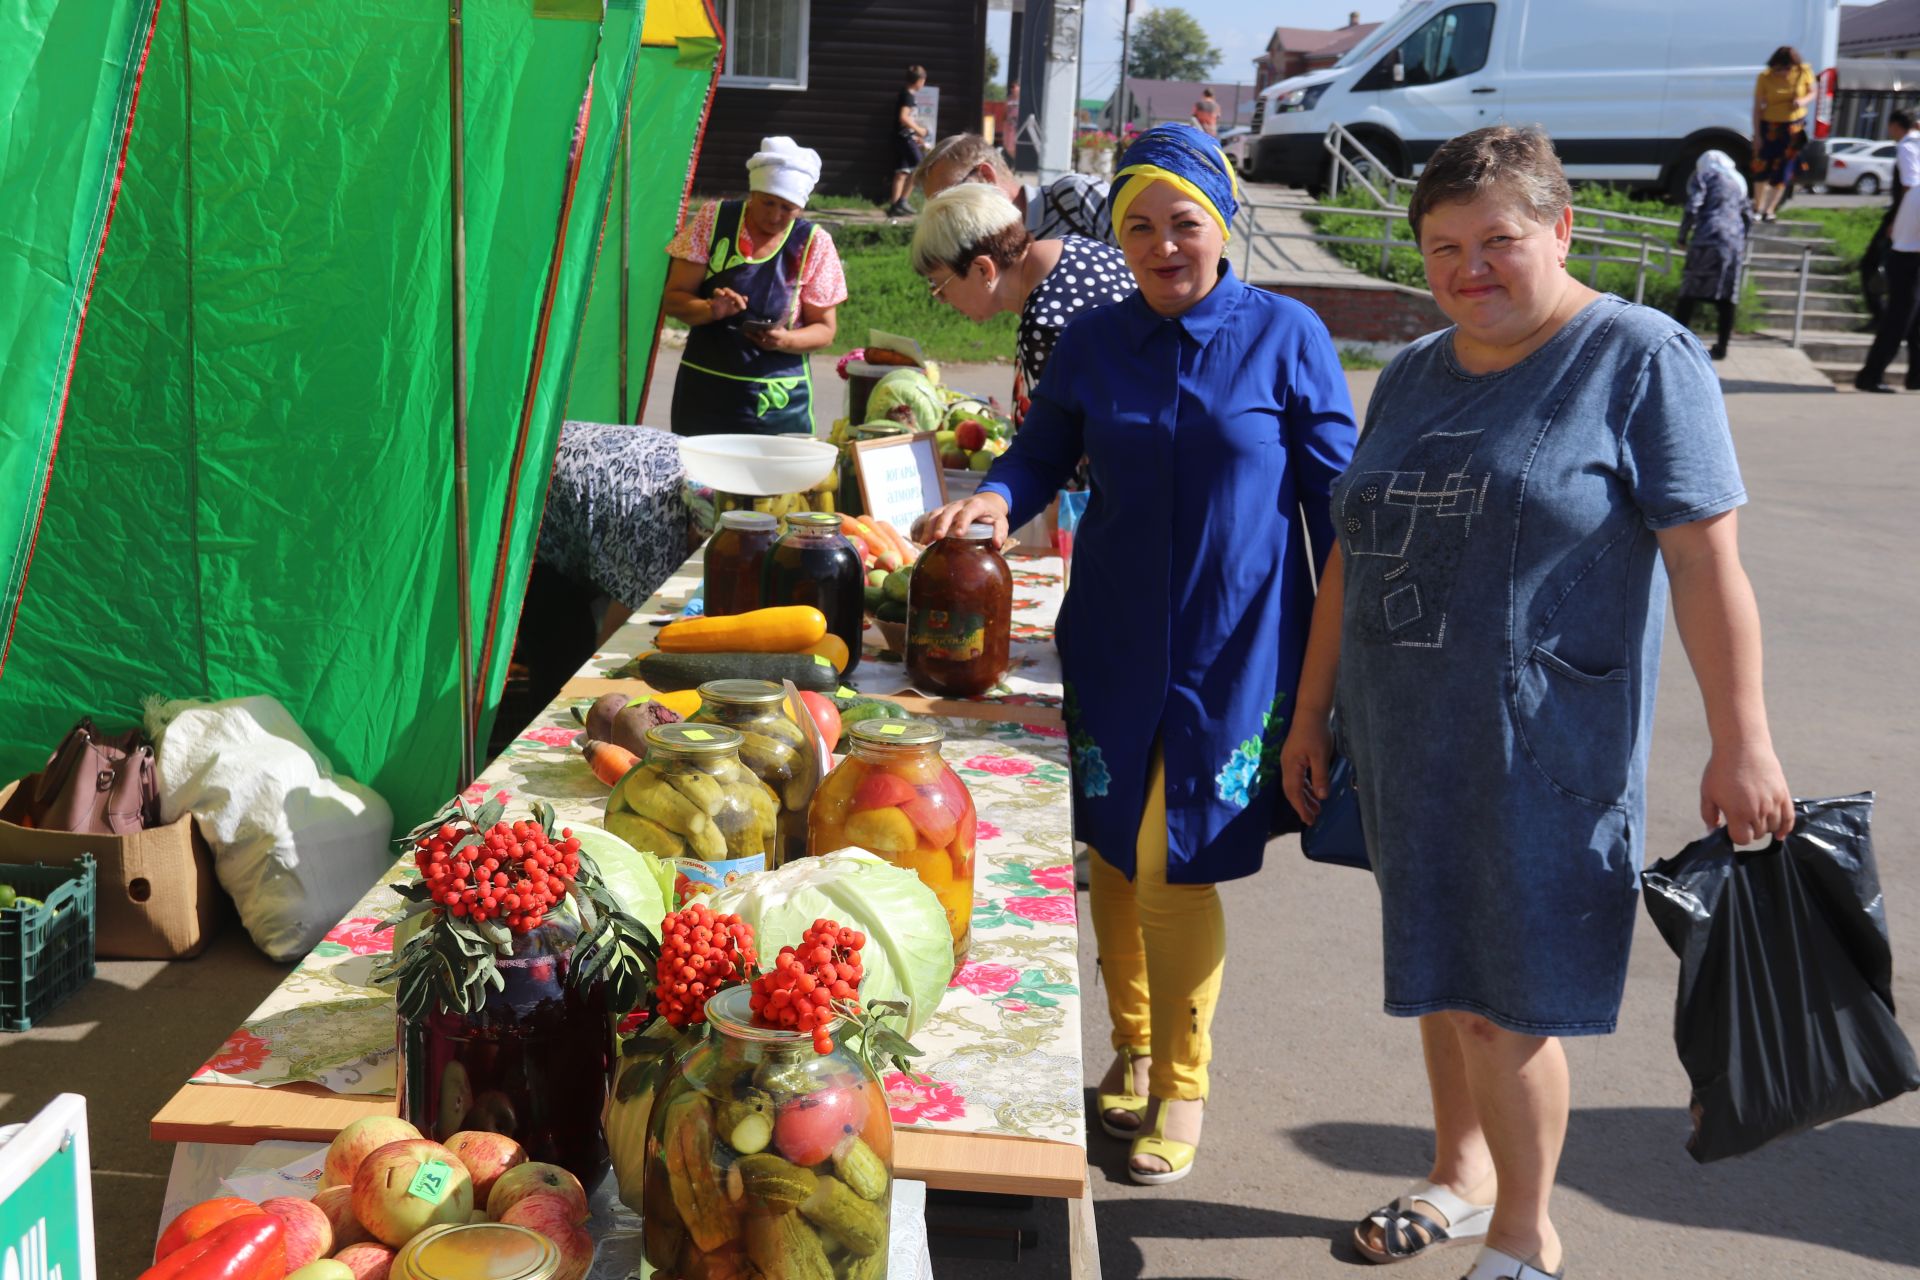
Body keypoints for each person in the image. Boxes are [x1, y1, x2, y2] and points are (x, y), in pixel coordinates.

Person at [1279, 125, 1792, 1280]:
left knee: (1500, 1003)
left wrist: (1743, 739)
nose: (1469, 268)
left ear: (1560, 229)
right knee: (1438, 971)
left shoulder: (1642, 357)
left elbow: (1708, 565)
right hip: (1407, 737)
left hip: (1544, 750)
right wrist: (1312, 713)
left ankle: (1527, 1231)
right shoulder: (1412, 370)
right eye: (1443, 246)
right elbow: (1355, 558)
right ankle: (1459, 1177)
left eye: (1499, 240)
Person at [918, 124, 1357, 1185]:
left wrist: (1329, 687)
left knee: (1171, 864)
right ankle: (1133, 1039)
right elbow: (1039, 451)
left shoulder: (1288, 336)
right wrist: (994, 496)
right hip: (1111, 639)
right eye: (1141, 228)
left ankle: (1184, 1082)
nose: (1165, 246)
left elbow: (1343, 514)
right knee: (1114, 850)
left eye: (1185, 223)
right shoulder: (1094, 340)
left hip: (1238, 650)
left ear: (1224, 222)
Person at [908, 183, 1134, 425]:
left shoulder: (1045, 326)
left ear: (984, 269)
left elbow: (1057, 448)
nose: (941, 300)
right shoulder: (1073, 247)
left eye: (940, 286)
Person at [663, 137, 846, 436]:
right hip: (705, 391)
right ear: (753, 192)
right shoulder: (713, 220)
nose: (774, 216)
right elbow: (673, 299)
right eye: (767, 202)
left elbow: (825, 330)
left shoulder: (814, 243)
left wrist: (783, 341)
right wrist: (711, 309)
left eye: (787, 208)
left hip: (777, 399)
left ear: (800, 208)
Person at [913, 133, 1117, 245]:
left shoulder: (1073, 195)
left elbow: (1145, 258)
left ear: (986, 177)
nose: (946, 221)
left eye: (949, 203)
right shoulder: (1001, 250)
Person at [1854, 109, 1920, 393]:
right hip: (1909, 257)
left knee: (1915, 320)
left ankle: (1916, 377)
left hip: (1907, 253)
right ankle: (1870, 376)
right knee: (1900, 319)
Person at [1674, 150, 1751, 360]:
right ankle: (1722, 347)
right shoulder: (1738, 183)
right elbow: (1748, 216)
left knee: (1689, 291)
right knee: (1727, 295)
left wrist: (1682, 235)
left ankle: (1675, 343)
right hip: (1734, 242)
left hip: (1707, 236)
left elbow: (1693, 206)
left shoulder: (1705, 176)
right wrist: (1741, 242)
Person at [1859, 109, 1913, 326]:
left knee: (1872, 264)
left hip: (1903, 212)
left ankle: (1883, 318)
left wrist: (1898, 220)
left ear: (1894, 125)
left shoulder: (1907, 147)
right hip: (1906, 213)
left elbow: (1909, 185)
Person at [1750, 45, 1814, 221]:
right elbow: (1756, 108)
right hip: (1769, 126)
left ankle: (1769, 210)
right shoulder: (1764, 77)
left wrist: (1803, 101)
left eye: (1787, 69)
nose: (1783, 73)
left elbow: (1813, 92)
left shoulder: (1804, 71)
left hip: (1794, 128)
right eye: (1779, 69)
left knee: (1784, 169)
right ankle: (1757, 206)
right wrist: (1757, 135)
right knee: (1761, 167)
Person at [889, 65, 931, 216]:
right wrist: (919, 130)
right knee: (919, 167)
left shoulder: (905, 93)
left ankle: (894, 206)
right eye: (924, 81)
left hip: (903, 136)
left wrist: (915, 134)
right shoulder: (908, 96)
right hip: (904, 137)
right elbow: (903, 117)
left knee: (901, 172)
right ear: (919, 80)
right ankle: (903, 201)